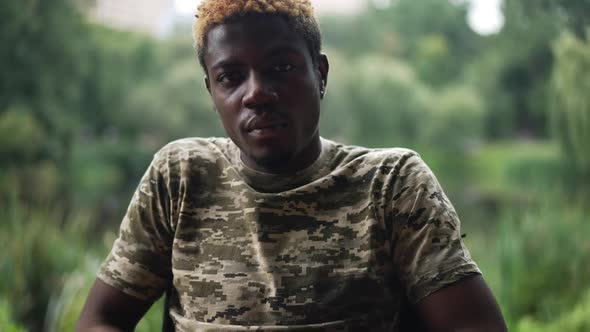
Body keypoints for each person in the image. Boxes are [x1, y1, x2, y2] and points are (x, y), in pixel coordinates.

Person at [76, 0, 508, 331]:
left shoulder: (391, 184)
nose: (257, 93)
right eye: (230, 77)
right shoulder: (181, 175)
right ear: (211, 91)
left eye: (280, 67)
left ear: (320, 74)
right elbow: (102, 318)